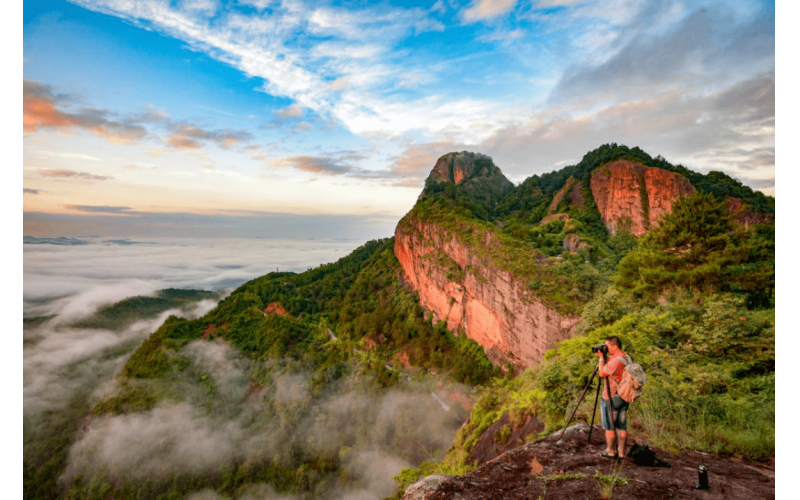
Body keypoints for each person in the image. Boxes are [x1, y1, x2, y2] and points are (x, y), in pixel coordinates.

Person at [596, 336, 631, 459]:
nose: (606, 349)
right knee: (622, 425)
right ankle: (621, 453)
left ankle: (610, 451)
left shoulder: (615, 361)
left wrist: (601, 360)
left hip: (611, 396)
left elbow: (602, 373)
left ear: (615, 346)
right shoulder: (626, 357)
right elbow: (615, 361)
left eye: (607, 346)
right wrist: (605, 357)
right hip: (624, 395)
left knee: (609, 426)